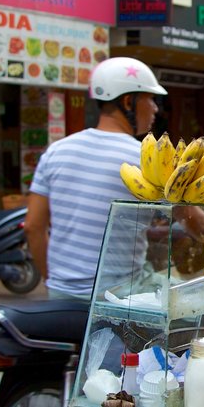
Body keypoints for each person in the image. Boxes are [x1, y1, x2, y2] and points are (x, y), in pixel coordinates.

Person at [25, 57, 167, 301]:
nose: (155, 108)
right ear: (127, 101)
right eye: (150, 99)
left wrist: (54, 282)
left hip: (61, 296)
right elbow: (192, 220)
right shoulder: (146, 158)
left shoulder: (56, 151)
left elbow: (33, 227)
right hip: (118, 297)